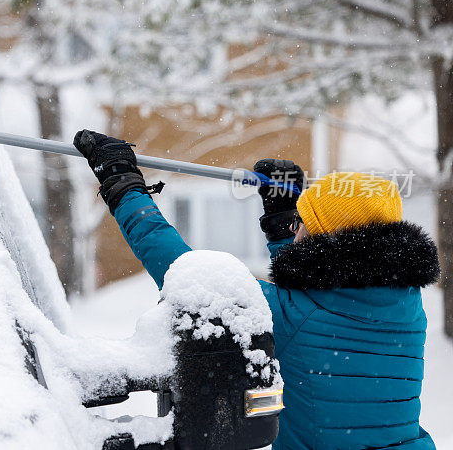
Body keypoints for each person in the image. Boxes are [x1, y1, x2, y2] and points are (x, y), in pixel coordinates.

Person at [73, 129, 439, 450]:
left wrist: (124, 187)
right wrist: (282, 227)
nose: (296, 231)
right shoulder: (407, 304)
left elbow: (179, 265)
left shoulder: (293, 313)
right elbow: (323, 294)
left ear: (321, 240)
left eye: (302, 225)